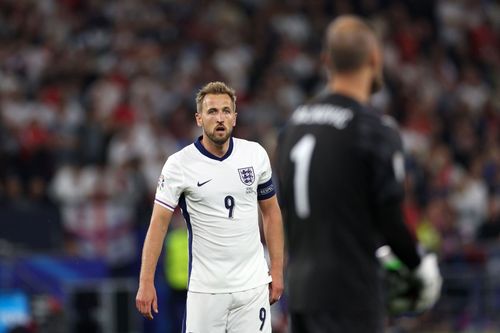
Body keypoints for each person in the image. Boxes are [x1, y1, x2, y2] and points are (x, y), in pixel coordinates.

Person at [276, 15, 442, 333]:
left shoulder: (293, 127)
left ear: (327, 61)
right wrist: (419, 266)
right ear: (375, 60)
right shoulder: (373, 129)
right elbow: (390, 220)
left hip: (301, 294)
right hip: (350, 294)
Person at [136, 81, 284, 333]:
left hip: (252, 288)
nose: (220, 118)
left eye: (226, 111)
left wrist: (277, 271)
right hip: (206, 292)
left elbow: (271, 212)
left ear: (234, 118)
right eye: (212, 111)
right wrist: (146, 281)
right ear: (199, 118)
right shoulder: (179, 165)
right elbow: (158, 224)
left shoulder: (255, 155)